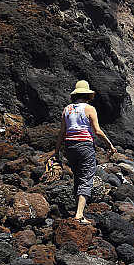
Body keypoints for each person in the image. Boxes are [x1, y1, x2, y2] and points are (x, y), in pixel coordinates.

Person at [54, 80, 116, 224]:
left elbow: (62, 133)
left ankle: (78, 209)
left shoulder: (67, 110)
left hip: (69, 146)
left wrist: (56, 152)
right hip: (85, 146)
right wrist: (110, 145)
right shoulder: (89, 109)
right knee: (86, 177)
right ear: (88, 95)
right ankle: (79, 214)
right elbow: (97, 131)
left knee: (77, 176)